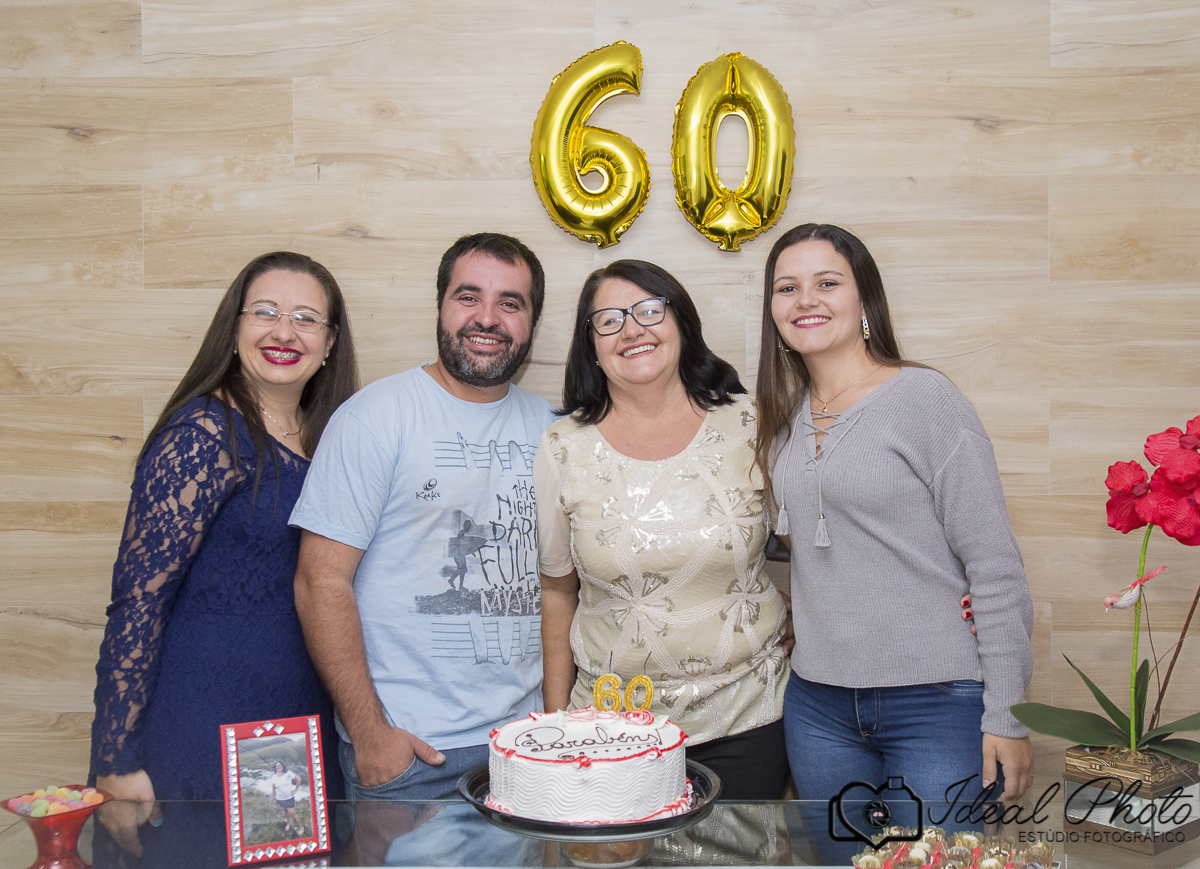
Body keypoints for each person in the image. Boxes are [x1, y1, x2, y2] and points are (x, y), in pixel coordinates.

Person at [754, 223, 1035, 806]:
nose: (805, 300)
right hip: (817, 705)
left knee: (939, 851)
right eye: (787, 288)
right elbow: (804, 548)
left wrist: (1007, 715)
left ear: (865, 300)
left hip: (937, 700)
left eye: (827, 283)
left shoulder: (926, 400)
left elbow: (994, 566)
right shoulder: (781, 424)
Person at [89, 251, 359, 851]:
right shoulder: (203, 434)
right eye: (265, 312)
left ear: (330, 342)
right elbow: (138, 602)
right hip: (204, 731)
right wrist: (115, 759)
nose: (284, 332)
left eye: (306, 318)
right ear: (233, 328)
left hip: (298, 727)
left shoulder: (330, 441)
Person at [291, 232, 556, 802]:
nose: (487, 318)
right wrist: (370, 734)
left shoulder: (553, 430)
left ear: (532, 322)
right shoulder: (374, 417)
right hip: (412, 755)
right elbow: (319, 582)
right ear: (440, 306)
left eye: (510, 303)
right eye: (468, 297)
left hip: (529, 749)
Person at [535, 259, 791, 800]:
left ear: (682, 323)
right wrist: (557, 728)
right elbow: (557, 591)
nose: (631, 329)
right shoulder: (563, 446)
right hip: (608, 727)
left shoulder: (751, 423)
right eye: (609, 320)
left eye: (649, 310)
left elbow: (811, 547)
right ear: (591, 345)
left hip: (748, 715)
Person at [268, 762, 304, 837]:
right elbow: (274, 788)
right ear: (275, 768)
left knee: (292, 813)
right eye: (277, 766)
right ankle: (288, 823)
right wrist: (274, 797)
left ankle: (300, 827)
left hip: (289, 798)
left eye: (280, 765)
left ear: (283, 766)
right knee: (285, 812)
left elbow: (299, 779)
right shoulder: (274, 777)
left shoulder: (288, 773)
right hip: (280, 798)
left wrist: (295, 790)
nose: (278, 767)